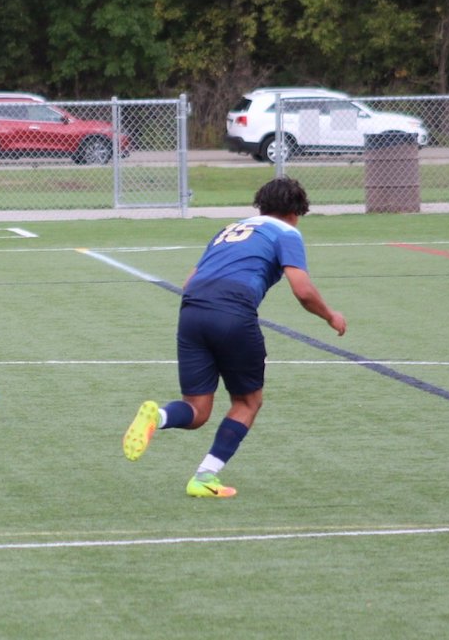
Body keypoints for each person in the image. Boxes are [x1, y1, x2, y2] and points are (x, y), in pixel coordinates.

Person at [122, 176, 346, 498]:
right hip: (232, 312)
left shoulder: (229, 230)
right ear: (295, 213)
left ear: (261, 206)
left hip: (192, 312)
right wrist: (330, 315)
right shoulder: (287, 232)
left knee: (197, 410)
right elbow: (302, 290)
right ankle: (204, 477)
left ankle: (157, 417)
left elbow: (189, 282)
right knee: (247, 402)